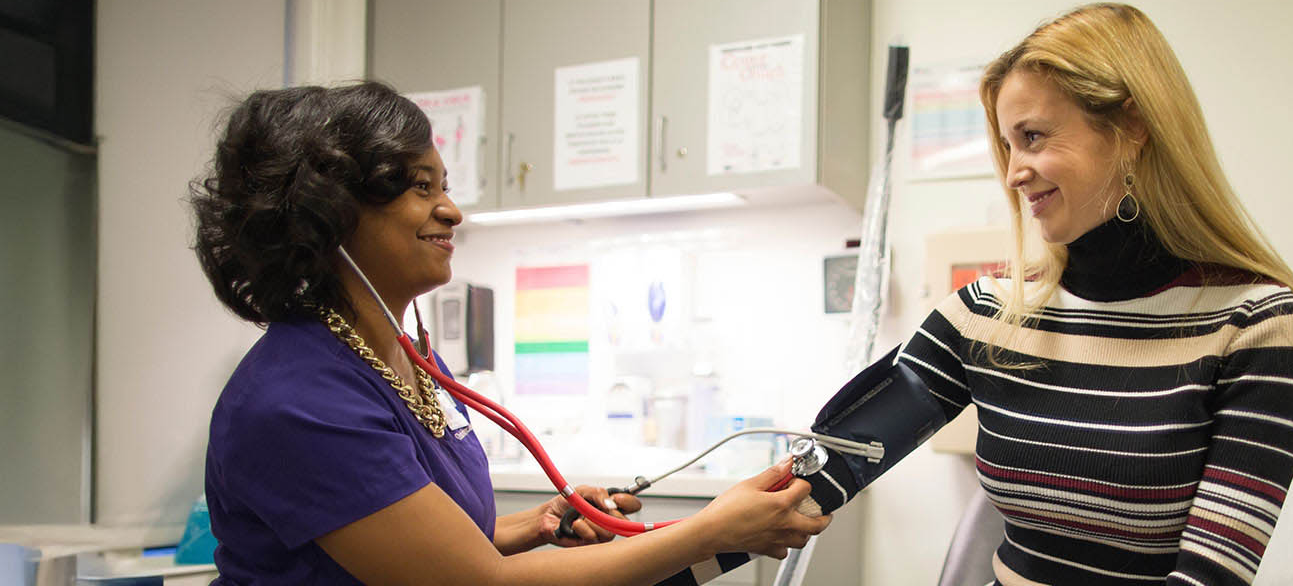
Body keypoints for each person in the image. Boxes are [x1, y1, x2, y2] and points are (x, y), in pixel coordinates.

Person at [189, 81, 829, 585]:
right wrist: (711, 531)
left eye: (445, 184)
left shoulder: (402, 360)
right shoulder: (301, 400)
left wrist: (537, 522)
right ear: (330, 213)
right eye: (419, 187)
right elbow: (473, 582)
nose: (452, 209)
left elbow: (411, 544)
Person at [891, 3, 1293, 585]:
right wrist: (730, 535)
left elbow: (1210, 578)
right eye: (1008, 145)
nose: (1013, 173)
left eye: (1033, 137)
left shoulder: (1255, 323)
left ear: (1131, 127)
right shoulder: (988, 312)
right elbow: (838, 454)